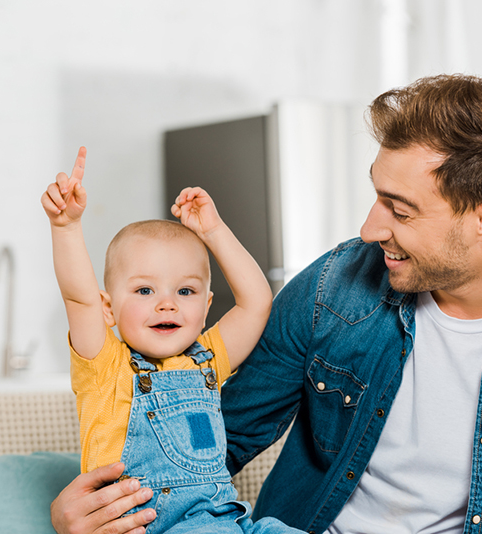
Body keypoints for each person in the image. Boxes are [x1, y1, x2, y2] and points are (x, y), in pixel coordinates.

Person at [50, 75, 482, 534]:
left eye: (400, 209)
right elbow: (213, 435)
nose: (370, 228)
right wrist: (95, 509)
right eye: (377, 197)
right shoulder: (334, 287)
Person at [41, 148, 303, 534]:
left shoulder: (207, 359)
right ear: (108, 309)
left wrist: (213, 231)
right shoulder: (105, 365)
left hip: (230, 521)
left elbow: (257, 302)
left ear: (207, 305)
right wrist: (65, 228)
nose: (167, 304)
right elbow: (79, 297)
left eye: (185, 291)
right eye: (145, 291)